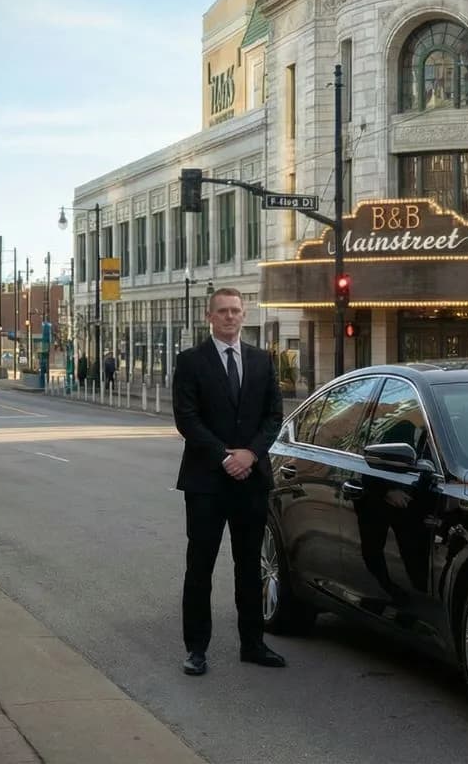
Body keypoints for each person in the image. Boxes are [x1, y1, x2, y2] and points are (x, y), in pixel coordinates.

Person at [172, 287, 285, 677]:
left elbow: (273, 415)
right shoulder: (191, 362)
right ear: (210, 316)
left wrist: (250, 454)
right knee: (199, 567)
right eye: (222, 311)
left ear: (244, 314)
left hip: (251, 480)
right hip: (206, 482)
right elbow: (187, 419)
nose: (230, 317)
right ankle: (196, 649)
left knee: (249, 567)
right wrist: (225, 456)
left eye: (235, 310)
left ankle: (253, 644)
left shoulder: (261, 361)